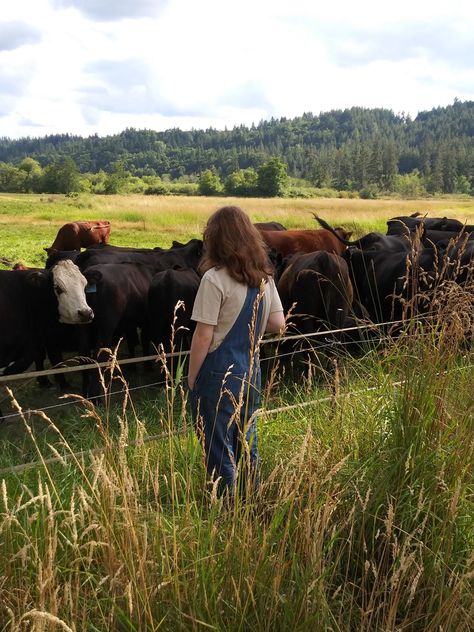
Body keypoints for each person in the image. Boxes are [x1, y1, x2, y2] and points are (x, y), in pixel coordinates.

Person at [188, 206, 285, 498]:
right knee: (246, 441)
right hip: (251, 369)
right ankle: (252, 499)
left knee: (218, 448)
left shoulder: (214, 279)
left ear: (215, 239)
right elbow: (278, 324)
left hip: (217, 374)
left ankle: (229, 512)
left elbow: (203, 336)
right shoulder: (264, 278)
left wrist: (192, 379)